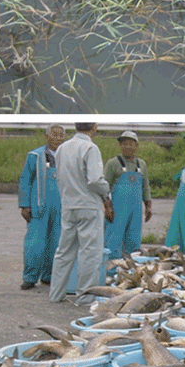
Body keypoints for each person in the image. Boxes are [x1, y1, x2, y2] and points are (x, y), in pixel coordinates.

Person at [49, 123, 114, 305]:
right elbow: (94, 180)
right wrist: (106, 192)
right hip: (88, 205)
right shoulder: (90, 148)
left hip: (69, 204)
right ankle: (84, 297)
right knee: (89, 252)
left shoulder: (62, 148)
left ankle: (56, 294)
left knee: (64, 251)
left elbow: (59, 176)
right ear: (93, 127)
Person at [18, 124, 65, 290]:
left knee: (56, 242)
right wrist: (24, 205)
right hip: (39, 207)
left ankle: (49, 276)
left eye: (61, 135)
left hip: (60, 209)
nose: (58, 138)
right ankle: (29, 277)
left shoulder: (67, 157)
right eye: (54, 134)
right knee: (35, 243)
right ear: (46, 136)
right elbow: (25, 180)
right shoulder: (35, 155)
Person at [104, 130, 152, 260]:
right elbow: (104, 187)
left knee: (133, 237)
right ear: (120, 146)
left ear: (136, 146)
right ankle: (111, 269)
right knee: (114, 236)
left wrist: (148, 206)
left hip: (135, 210)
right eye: (124, 143)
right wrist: (107, 207)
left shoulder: (141, 164)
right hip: (117, 209)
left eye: (131, 144)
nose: (127, 146)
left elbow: (145, 187)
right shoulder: (113, 163)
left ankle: (131, 269)